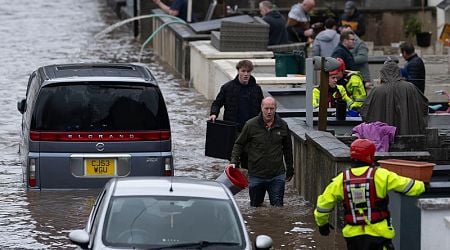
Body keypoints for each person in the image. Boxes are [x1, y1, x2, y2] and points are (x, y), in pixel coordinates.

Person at [314, 139, 425, 250]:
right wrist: (424, 185)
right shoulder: (381, 175)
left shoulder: (340, 180)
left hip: (353, 238)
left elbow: (323, 206)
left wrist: (322, 224)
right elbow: (409, 186)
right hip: (379, 236)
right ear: (370, 156)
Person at [228, 97, 294, 207]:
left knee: (277, 207)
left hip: (277, 174)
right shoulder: (251, 125)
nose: (269, 112)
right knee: (255, 207)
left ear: (276, 109)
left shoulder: (282, 125)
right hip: (256, 174)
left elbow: (288, 149)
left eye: (272, 109)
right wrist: (234, 161)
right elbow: (239, 144)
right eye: (266, 108)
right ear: (261, 108)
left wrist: (290, 169)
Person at [360, 60, 428, 135]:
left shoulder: (376, 91)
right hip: (410, 136)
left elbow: (365, 111)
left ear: (382, 74)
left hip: (384, 140)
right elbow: (423, 105)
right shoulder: (410, 87)